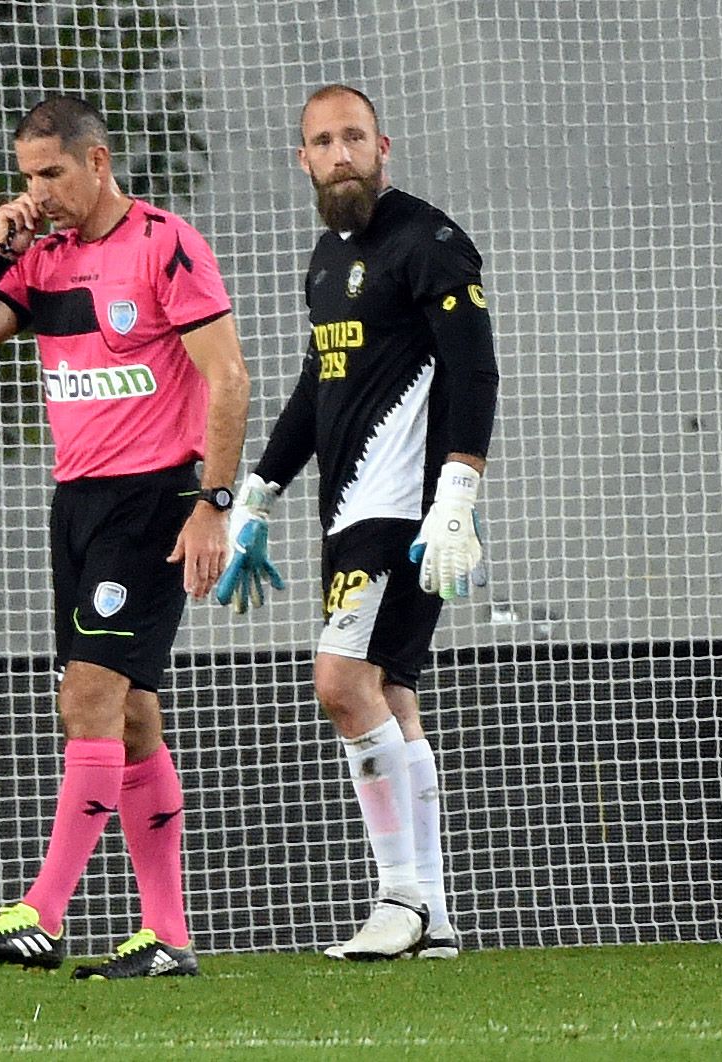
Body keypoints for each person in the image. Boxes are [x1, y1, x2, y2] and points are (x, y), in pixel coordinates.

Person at [0, 96, 250, 979]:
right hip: (76, 505)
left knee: (88, 698)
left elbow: (228, 379)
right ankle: (167, 937)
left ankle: (44, 911)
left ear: (97, 163)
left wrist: (213, 503)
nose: (40, 192)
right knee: (133, 716)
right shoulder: (45, 260)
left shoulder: (164, 242)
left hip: (153, 501)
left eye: (53, 173)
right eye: (28, 177)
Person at [218, 84, 499, 960]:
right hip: (349, 509)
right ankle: (436, 918)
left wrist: (457, 496)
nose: (339, 153)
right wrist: (258, 493)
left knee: (340, 686)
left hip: (404, 511)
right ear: (301, 160)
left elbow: (474, 372)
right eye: (321, 142)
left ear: (385, 147)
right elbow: (318, 386)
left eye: (353, 138)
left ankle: (401, 896)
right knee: (391, 694)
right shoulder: (325, 258)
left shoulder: (429, 240)